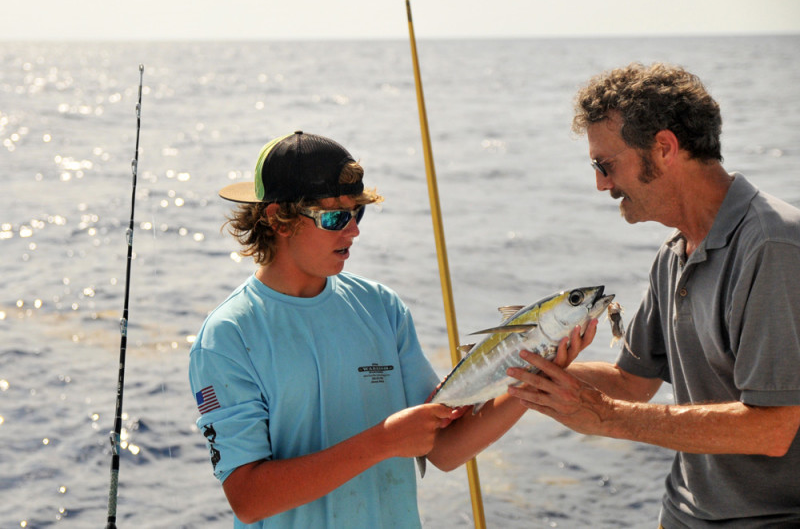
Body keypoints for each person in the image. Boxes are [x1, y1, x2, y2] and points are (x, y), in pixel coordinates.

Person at [188, 130, 591, 528]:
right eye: (335, 217)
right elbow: (247, 498)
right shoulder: (228, 336)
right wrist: (382, 441)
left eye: (357, 212)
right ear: (279, 219)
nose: (354, 230)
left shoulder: (380, 306)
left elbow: (443, 449)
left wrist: (531, 379)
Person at [507, 62, 800, 528]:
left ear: (664, 148)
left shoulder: (773, 246)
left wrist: (605, 418)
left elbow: (773, 428)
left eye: (605, 165)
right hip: (681, 516)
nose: (601, 183)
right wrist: (525, 372)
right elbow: (631, 382)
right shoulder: (674, 253)